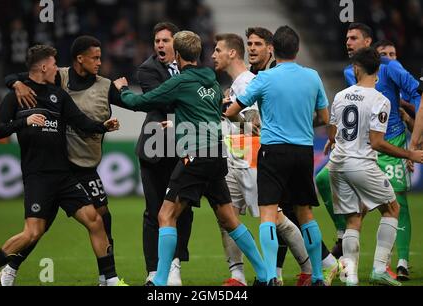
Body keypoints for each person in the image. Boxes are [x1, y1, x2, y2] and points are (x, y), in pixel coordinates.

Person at [114, 30, 268, 286]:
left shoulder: (180, 82)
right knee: (229, 219)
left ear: (177, 54)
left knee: (165, 215)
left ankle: (160, 281)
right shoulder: (210, 78)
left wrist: (122, 91)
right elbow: (212, 109)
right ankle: (265, 275)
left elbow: (142, 102)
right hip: (216, 155)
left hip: (195, 156)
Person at [0, 45, 126, 286]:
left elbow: (80, 122)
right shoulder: (16, 96)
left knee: (95, 220)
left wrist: (103, 126)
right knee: (33, 232)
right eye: (54, 64)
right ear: (43, 67)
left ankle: (111, 280)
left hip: (64, 176)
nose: (58, 68)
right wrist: (23, 122)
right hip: (38, 176)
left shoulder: (58, 95)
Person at [315, 23, 421, 280]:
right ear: (378, 69)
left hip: (339, 161)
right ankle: (378, 269)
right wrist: (411, 153)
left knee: (354, 219)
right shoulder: (380, 100)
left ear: (357, 68)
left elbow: (331, 132)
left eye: (353, 38)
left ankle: (349, 277)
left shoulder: (340, 95)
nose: (348, 42)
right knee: (393, 208)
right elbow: (376, 142)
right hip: (363, 162)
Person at [226, 25, 329, 286]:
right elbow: (325, 118)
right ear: (297, 48)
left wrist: (247, 121)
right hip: (304, 151)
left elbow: (231, 111)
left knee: (268, 213)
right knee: (305, 213)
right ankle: (317, 275)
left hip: (273, 151)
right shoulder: (313, 77)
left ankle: (271, 276)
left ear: (273, 50)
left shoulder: (264, 79)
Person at [136, 22, 193, 286]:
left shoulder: (188, 65)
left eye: (165, 40)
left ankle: (174, 264)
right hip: (155, 149)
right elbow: (161, 100)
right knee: (153, 211)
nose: (159, 45)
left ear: (177, 43)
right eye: (157, 40)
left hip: (182, 148)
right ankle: (152, 270)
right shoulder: (148, 69)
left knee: (182, 209)